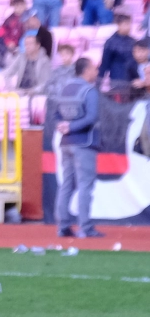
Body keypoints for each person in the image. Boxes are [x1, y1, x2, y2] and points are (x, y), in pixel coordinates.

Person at [53, 58, 103, 239]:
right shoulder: (89, 91)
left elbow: (56, 113)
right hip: (84, 143)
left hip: (66, 142)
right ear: (87, 70)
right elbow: (92, 117)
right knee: (85, 185)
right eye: (94, 69)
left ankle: (63, 226)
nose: (97, 72)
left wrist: (63, 126)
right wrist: (72, 127)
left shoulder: (64, 89)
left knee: (66, 184)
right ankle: (86, 227)